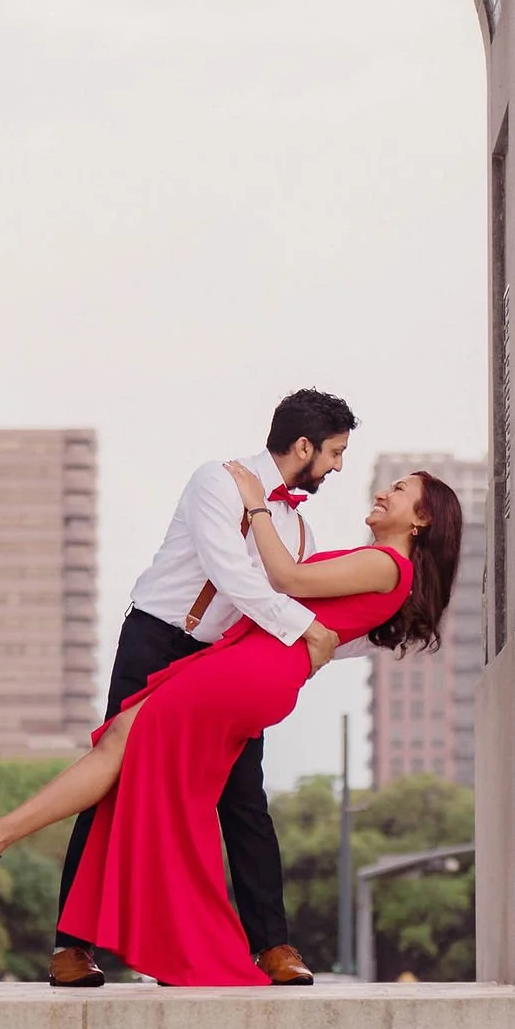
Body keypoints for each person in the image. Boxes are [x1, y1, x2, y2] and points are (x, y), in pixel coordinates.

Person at [0, 460, 465, 989]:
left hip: (252, 670)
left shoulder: (390, 564)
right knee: (130, 751)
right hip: (246, 667)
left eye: (399, 489)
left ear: (421, 519)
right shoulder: (381, 567)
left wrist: (256, 509)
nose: (383, 491)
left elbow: (285, 577)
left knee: (135, 758)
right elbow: (311, 614)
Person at [65, 390, 360, 989]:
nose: (336, 467)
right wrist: (308, 629)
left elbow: (286, 595)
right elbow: (232, 574)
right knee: (112, 781)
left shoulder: (296, 530)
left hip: (222, 663)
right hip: (158, 639)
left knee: (244, 797)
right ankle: (71, 947)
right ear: (303, 446)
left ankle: (272, 945)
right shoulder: (217, 482)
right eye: (334, 453)